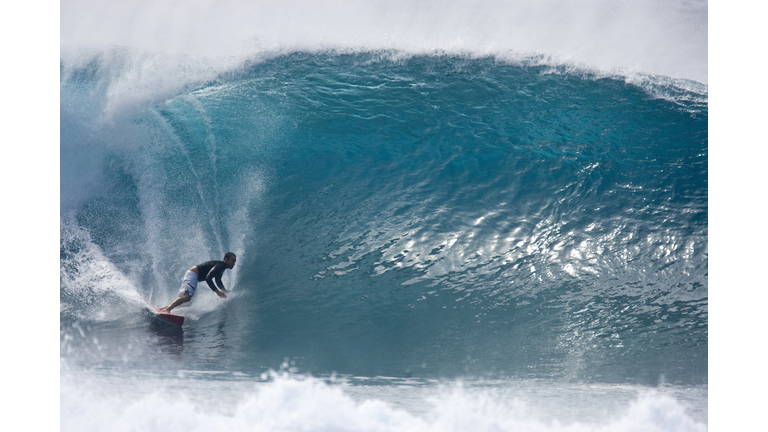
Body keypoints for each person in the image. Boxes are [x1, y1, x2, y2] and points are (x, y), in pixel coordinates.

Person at [160, 252, 237, 313]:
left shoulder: (221, 268)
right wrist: (217, 291)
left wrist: (224, 290)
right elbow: (208, 278)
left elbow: (218, 280)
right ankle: (168, 309)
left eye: (234, 262)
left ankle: (165, 308)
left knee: (187, 302)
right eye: (232, 261)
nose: (233, 263)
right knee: (187, 297)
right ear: (226, 259)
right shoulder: (219, 265)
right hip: (192, 274)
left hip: (194, 277)